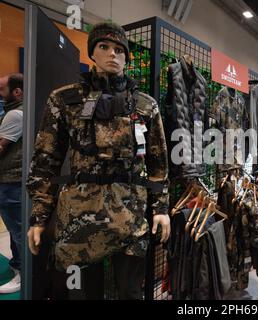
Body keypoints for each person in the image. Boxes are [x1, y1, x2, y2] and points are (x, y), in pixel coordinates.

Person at [26, 22, 170, 300]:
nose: (112, 55)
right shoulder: (65, 100)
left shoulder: (145, 105)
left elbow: (158, 164)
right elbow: (45, 161)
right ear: (92, 53)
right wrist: (40, 216)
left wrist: (161, 208)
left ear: (127, 57)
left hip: (131, 216)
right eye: (103, 47)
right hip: (80, 217)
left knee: (129, 292)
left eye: (119, 49)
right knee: (78, 293)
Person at [0, 73, 24, 294]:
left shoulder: (15, 114)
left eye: (2, 89)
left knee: (17, 230)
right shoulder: (15, 112)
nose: (0, 94)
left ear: (16, 92)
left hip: (11, 181)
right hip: (12, 181)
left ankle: (22, 274)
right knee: (16, 229)